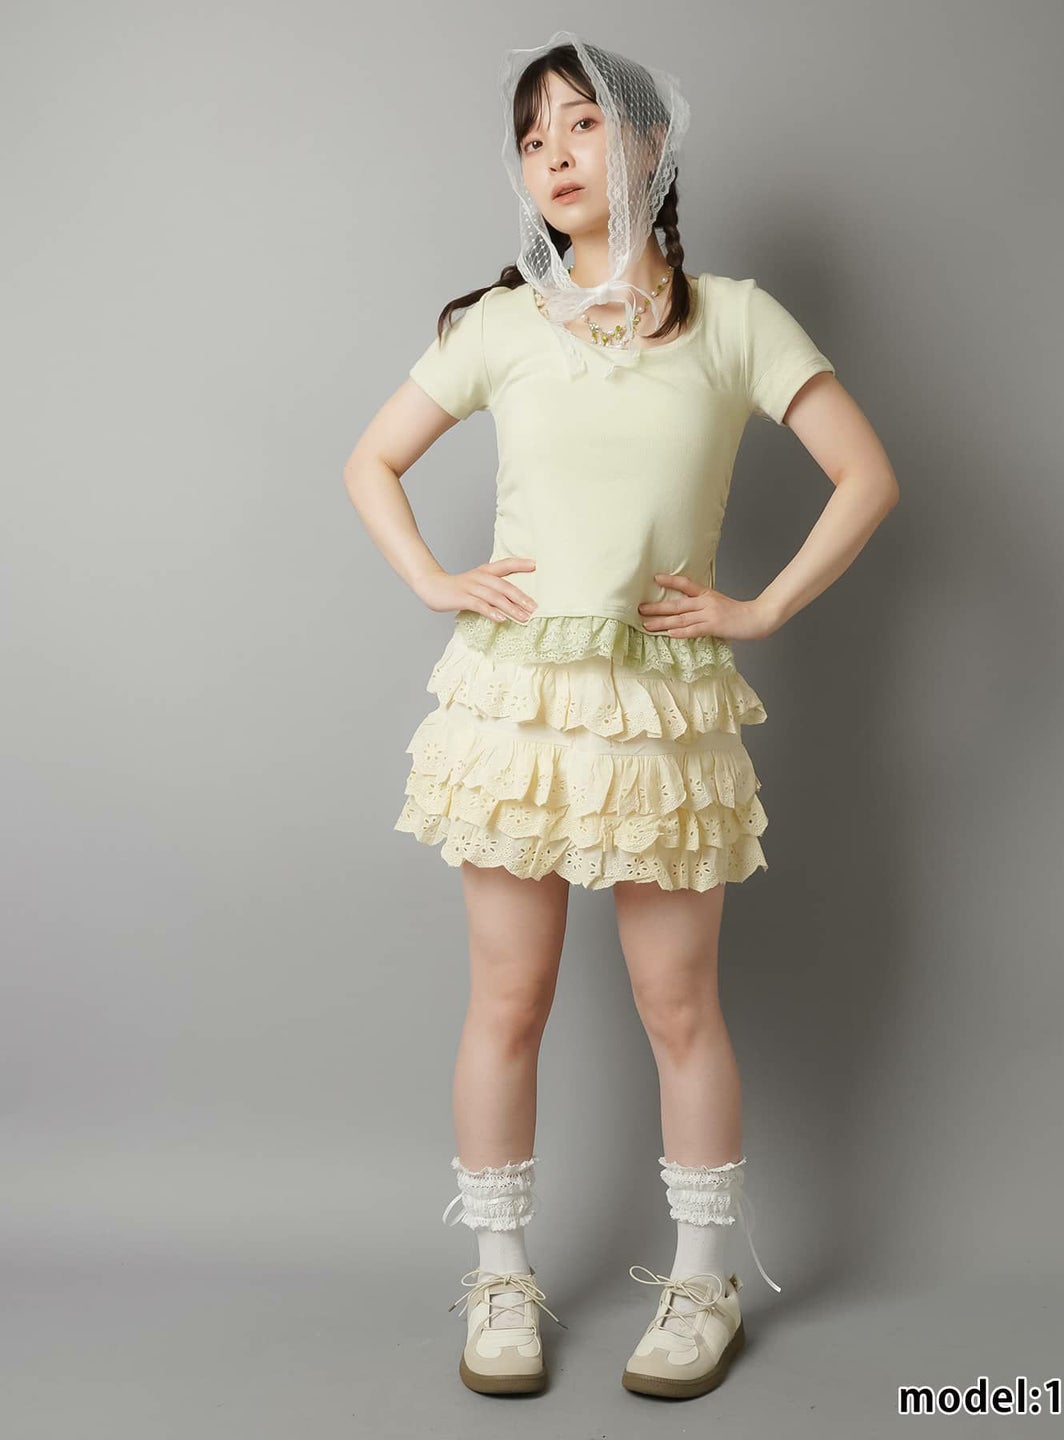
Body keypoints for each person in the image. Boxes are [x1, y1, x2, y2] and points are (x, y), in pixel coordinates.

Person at [342, 31, 899, 1400]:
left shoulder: (738, 320)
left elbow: (866, 476)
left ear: (648, 143)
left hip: (661, 711)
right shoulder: (499, 326)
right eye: (531, 138)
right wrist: (434, 578)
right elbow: (372, 461)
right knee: (509, 998)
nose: (553, 154)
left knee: (678, 1001)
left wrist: (760, 610)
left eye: (579, 123)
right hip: (518, 708)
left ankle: (704, 1281)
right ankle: (500, 1277)